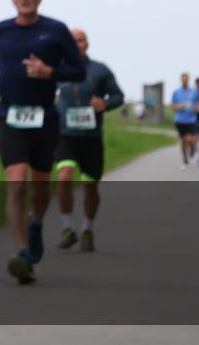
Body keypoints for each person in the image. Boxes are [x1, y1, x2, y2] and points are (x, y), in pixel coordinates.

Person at [0, 0, 85, 284]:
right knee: (16, 182)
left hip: (45, 118)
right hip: (10, 116)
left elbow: (78, 70)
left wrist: (49, 71)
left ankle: (36, 221)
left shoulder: (56, 30)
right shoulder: (0, 30)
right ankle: (23, 253)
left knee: (40, 188)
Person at [54, 28, 124, 253]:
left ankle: (87, 229)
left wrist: (105, 104)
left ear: (87, 44)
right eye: (72, 41)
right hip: (65, 135)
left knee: (90, 187)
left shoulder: (100, 70)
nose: (76, 44)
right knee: (64, 176)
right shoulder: (57, 70)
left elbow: (118, 96)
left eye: (80, 40)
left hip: (91, 137)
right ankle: (68, 227)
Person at [171, 72, 199, 170]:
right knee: (183, 141)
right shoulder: (176, 92)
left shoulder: (194, 92)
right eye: (183, 79)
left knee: (190, 139)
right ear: (181, 80)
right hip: (180, 120)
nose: (184, 81)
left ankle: (193, 150)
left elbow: (198, 105)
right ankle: (184, 161)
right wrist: (179, 107)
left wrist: (196, 108)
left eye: (186, 79)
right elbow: (172, 106)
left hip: (191, 119)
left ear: (188, 79)